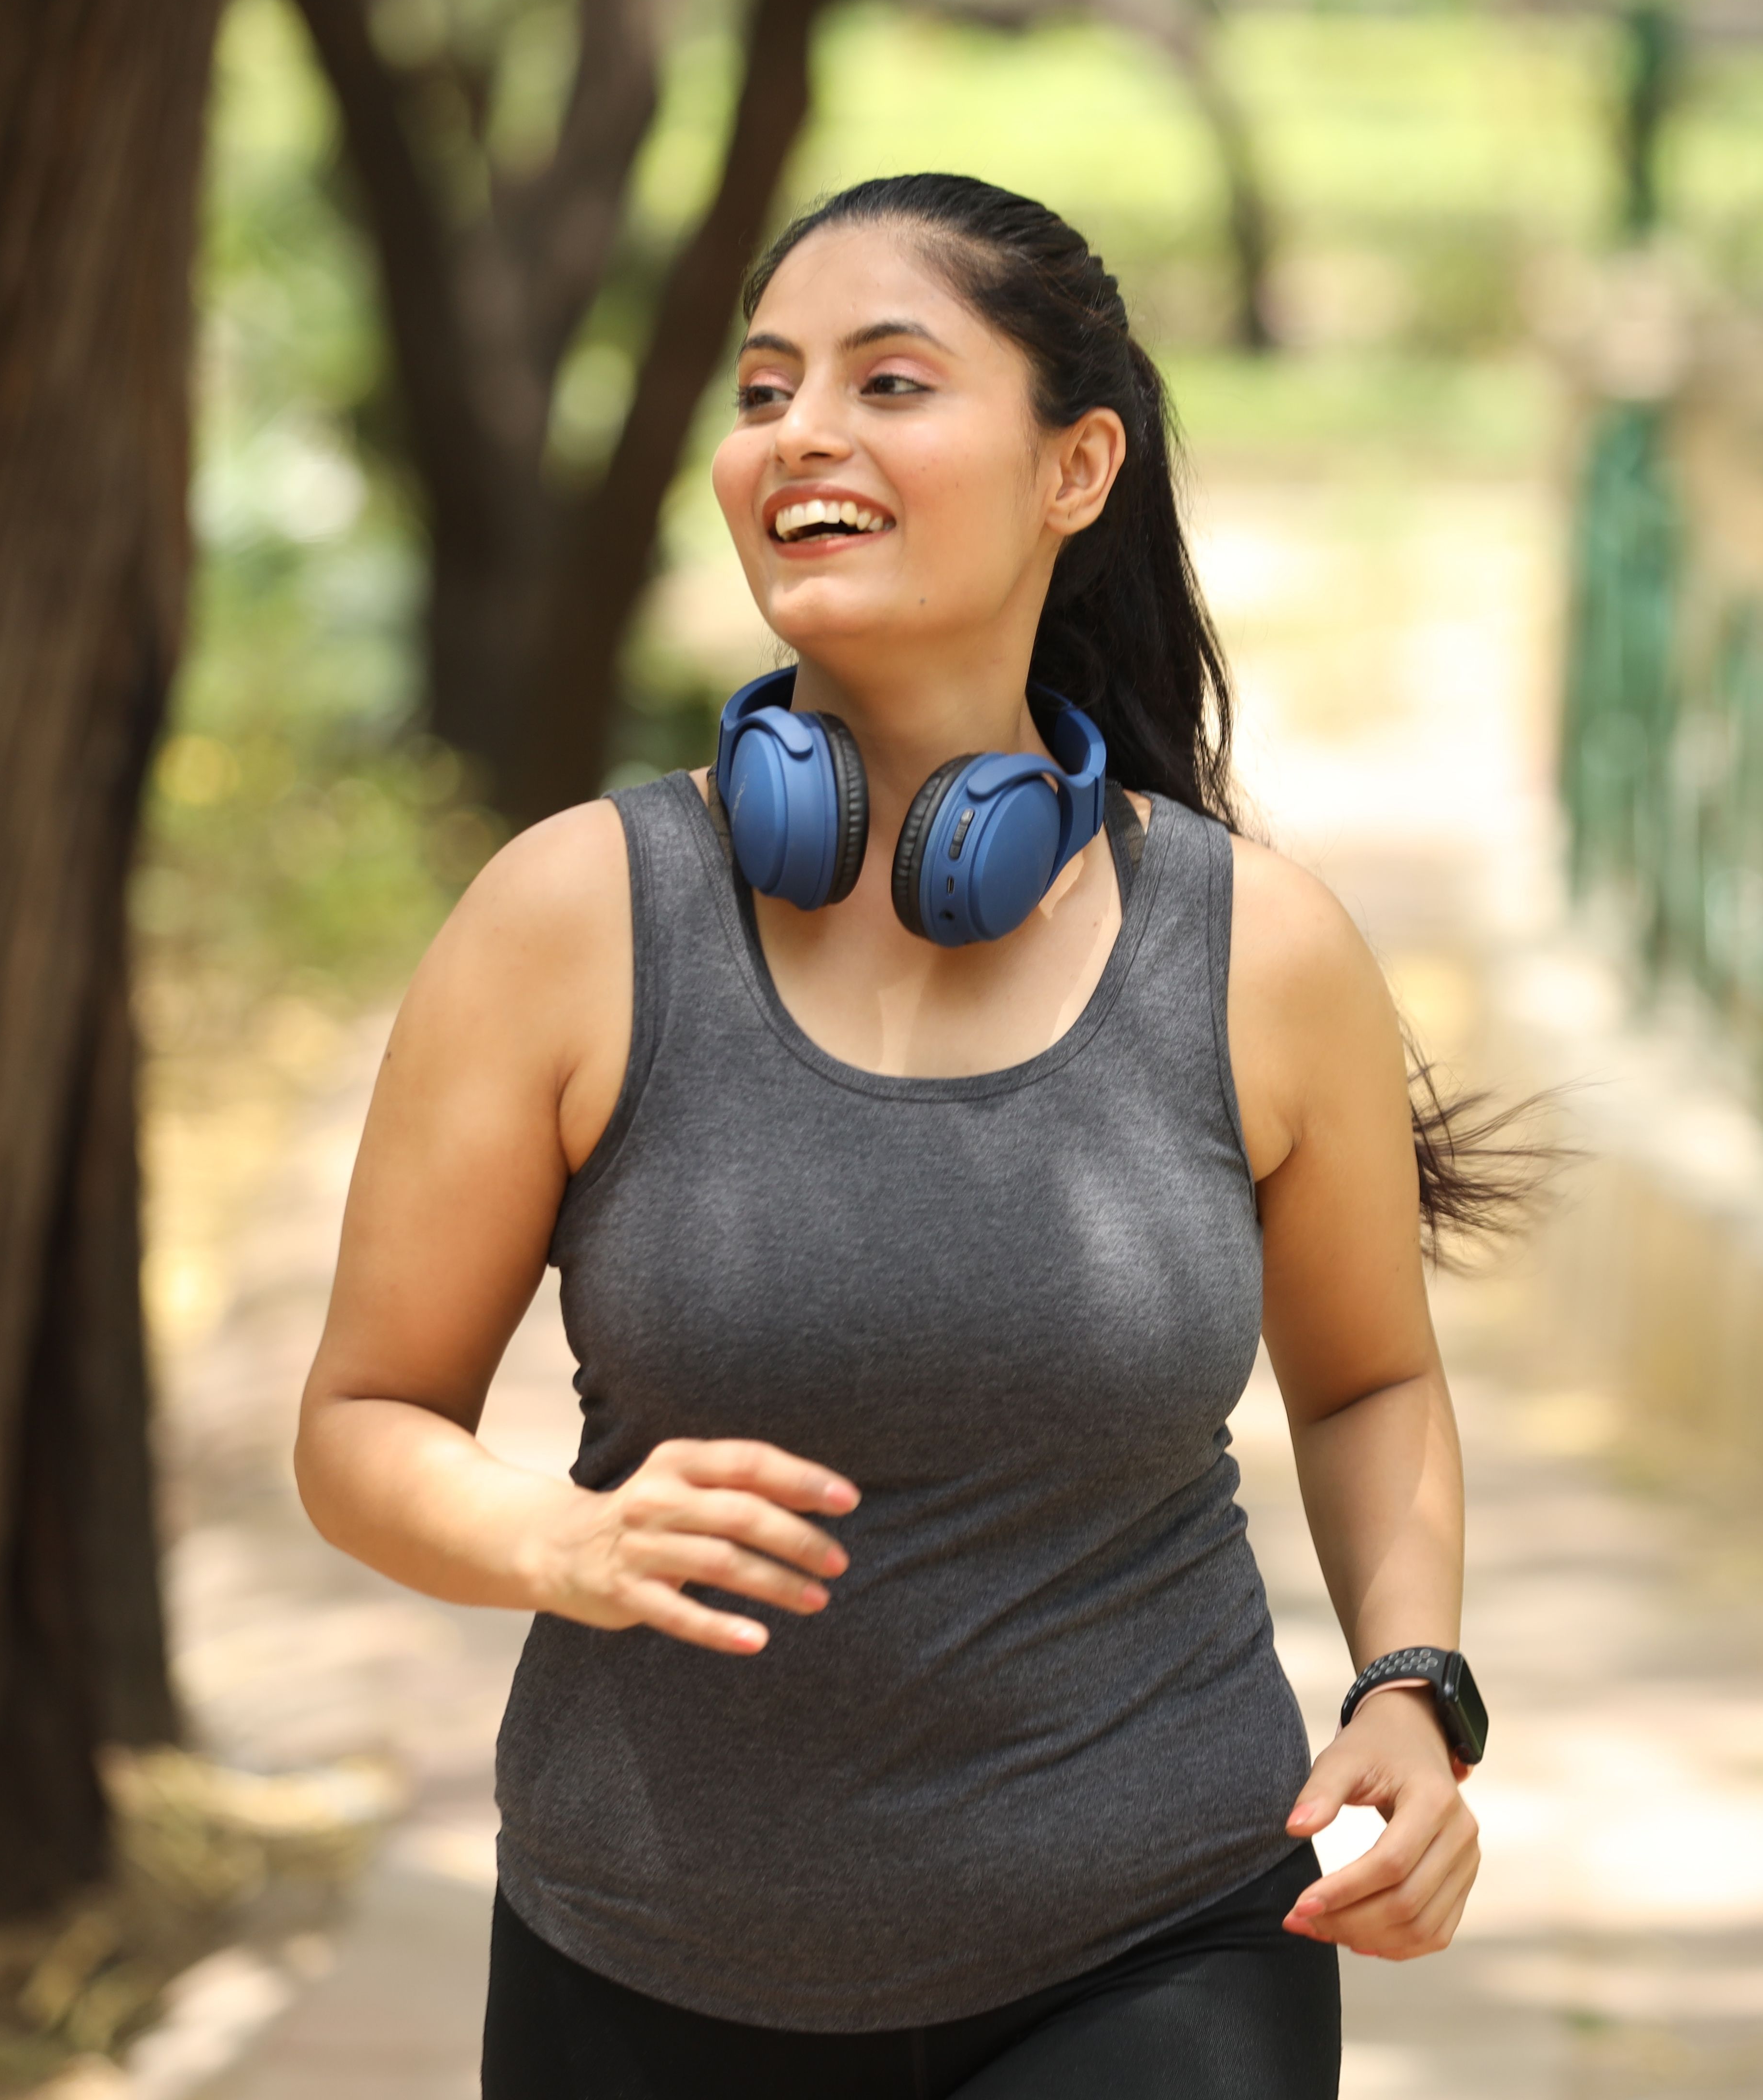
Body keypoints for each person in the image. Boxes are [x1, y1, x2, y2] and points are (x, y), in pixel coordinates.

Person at [293, 173, 1523, 2100]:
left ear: (1075, 465)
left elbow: (1366, 1379)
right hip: (646, 1956)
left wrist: (1411, 1683)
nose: (801, 435)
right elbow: (363, 1421)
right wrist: (563, 1536)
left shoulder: (1259, 954)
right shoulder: (571, 921)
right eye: (766, 388)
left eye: (890, 382)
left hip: (1161, 1943)